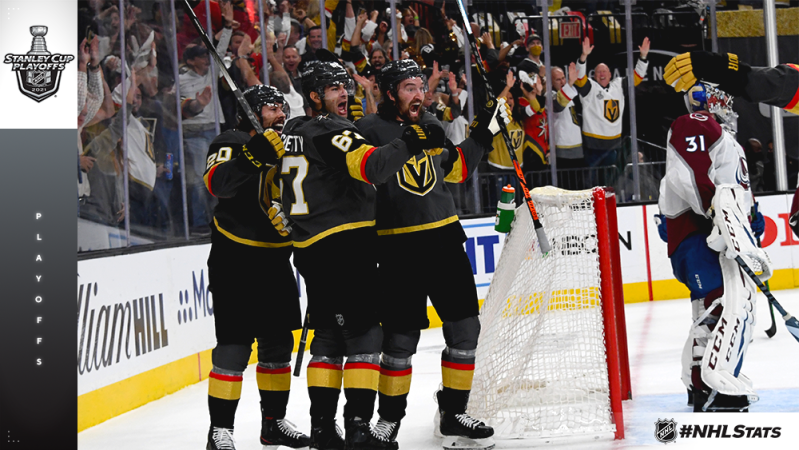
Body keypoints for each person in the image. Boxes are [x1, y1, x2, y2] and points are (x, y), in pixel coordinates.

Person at [275, 58, 445, 450]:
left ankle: (321, 429)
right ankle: (357, 429)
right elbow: (373, 167)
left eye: (345, 87)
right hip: (343, 248)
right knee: (365, 337)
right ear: (314, 96)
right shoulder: (328, 130)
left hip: (311, 248)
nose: (344, 94)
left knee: (330, 338)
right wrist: (413, 138)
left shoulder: (292, 131)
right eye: (335, 89)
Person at [355, 60, 509, 449]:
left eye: (421, 87)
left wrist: (483, 132)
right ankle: (388, 421)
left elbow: (454, 170)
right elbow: (361, 178)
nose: (419, 94)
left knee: (465, 330)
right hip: (396, 247)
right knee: (400, 340)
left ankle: (454, 411)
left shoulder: (434, 126)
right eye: (409, 88)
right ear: (390, 93)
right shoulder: (369, 130)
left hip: (444, 241)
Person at [202, 85, 311, 450]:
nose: (280, 113)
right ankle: (220, 431)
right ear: (249, 114)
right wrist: (253, 155)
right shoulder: (230, 140)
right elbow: (219, 184)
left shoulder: (289, 143)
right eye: (270, 108)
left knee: (278, 346)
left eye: (282, 107)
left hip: (277, 261)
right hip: (235, 262)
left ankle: (274, 423)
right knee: (233, 346)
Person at [657, 81, 771, 412]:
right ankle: (712, 387)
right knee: (718, 308)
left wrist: (750, 221)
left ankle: (698, 382)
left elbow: (733, 189)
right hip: (700, 235)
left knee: (708, 311)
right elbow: (691, 177)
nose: (728, 104)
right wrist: (717, 215)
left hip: (713, 236)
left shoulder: (725, 139)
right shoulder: (695, 124)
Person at [574, 37, 649, 170]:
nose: (602, 74)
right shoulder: (590, 88)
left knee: (610, 183)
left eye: (604, 71)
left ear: (610, 74)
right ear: (594, 75)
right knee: (593, 184)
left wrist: (643, 57)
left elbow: (636, 78)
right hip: (593, 147)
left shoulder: (618, 85)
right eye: (598, 72)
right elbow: (579, 78)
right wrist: (583, 57)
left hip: (613, 145)